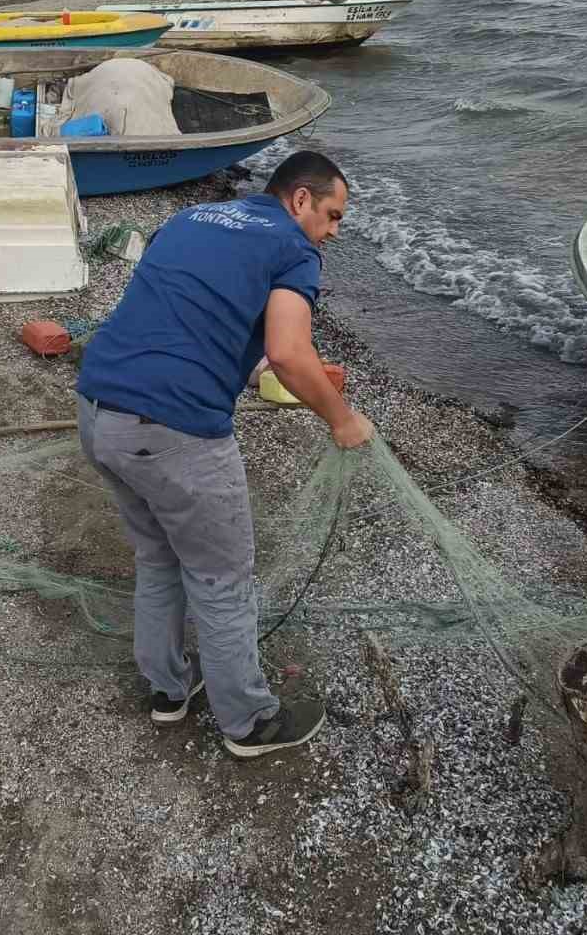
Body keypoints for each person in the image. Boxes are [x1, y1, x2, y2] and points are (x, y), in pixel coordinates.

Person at [76, 150, 374, 759]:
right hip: (174, 429)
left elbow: (186, 307)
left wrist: (241, 357)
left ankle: (169, 689)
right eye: (332, 215)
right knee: (221, 579)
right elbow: (289, 353)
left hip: (98, 408)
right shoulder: (294, 249)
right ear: (300, 200)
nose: (333, 231)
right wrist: (342, 420)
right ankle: (249, 722)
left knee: (158, 557)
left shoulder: (192, 217)